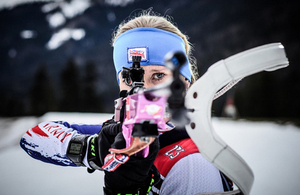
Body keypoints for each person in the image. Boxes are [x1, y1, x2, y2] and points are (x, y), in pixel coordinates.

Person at [20, 10, 232, 195]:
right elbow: (32, 138)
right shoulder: (121, 134)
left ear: (184, 83)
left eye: (158, 76)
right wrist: (91, 149)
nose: (144, 91)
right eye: (130, 78)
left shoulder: (192, 165)